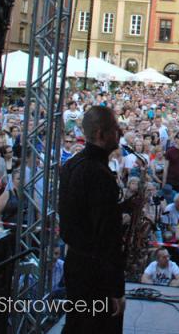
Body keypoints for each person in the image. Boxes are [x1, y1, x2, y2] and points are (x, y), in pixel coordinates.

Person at [58, 106, 125, 333]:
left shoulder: (71, 165)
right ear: (100, 133)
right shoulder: (99, 174)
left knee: (76, 325)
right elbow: (106, 238)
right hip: (97, 274)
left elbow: (81, 214)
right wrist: (116, 288)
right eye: (115, 129)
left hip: (76, 264)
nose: (121, 133)